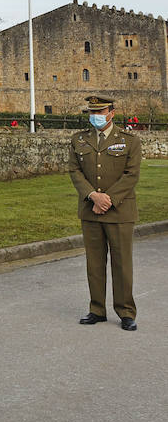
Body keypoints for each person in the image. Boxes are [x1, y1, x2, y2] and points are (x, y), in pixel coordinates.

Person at [67, 94, 142, 330]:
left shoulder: (130, 140)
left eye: (99, 112)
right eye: (91, 112)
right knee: (94, 263)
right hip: (91, 210)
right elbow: (75, 171)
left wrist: (108, 199)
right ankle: (97, 309)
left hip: (119, 211)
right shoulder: (79, 139)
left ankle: (126, 312)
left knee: (122, 264)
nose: (95, 117)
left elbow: (131, 175)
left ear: (111, 113)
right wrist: (93, 196)